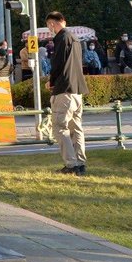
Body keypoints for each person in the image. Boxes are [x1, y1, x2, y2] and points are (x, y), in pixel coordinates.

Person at [46, 12, 88, 175]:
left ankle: (71, 165)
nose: (50, 28)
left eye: (52, 24)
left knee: (60, 127)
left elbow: (58, 64)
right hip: (77, 90)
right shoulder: (75, 38)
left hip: (64, 89)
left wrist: (52, 81)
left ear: (57, 23)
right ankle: (80, 162)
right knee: (76, 128)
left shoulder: (61, 38)